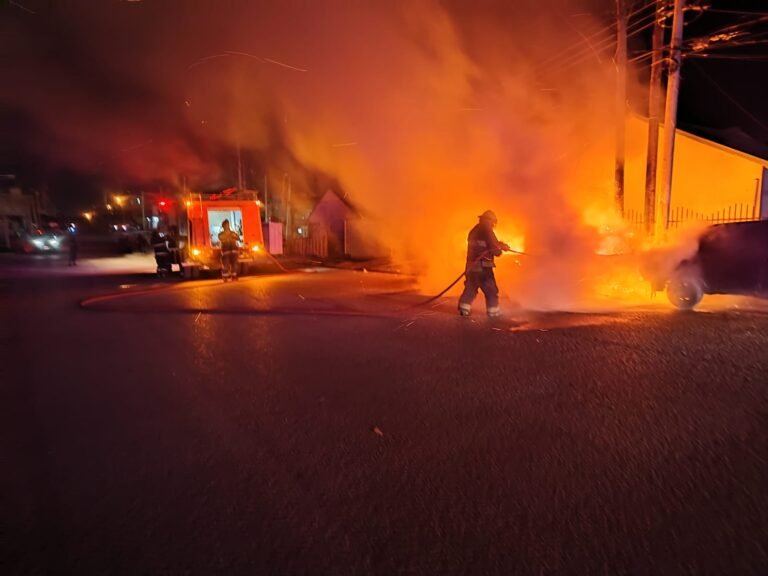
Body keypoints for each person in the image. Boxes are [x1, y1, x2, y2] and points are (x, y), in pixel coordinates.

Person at [458, 210, 510, 317]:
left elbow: (486, 243)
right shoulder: (487, 230)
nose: (493, 224)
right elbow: (495, 250)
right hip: (483, 267)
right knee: (491, 290)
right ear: (490, 221)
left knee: (471, 287)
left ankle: (464, 308)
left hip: (471, 266)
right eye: (493, 222)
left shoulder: (474, 230)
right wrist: (501, 249)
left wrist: (500, 244)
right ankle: (493, 312)